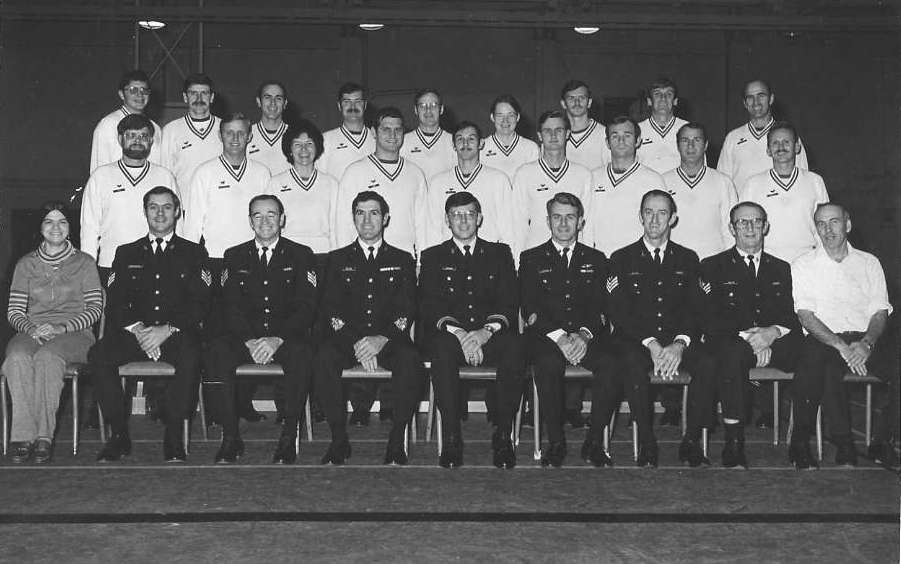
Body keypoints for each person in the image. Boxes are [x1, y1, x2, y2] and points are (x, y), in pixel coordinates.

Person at [90, 186, 210, 462]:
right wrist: (140, 331)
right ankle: (119, 435)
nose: (160, 213)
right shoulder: (126, 252)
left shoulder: (194, 253)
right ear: (145, 212)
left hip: (176, 333)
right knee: (99, 355)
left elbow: (200, 302)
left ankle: (174, 435)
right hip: (136, 333)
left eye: (166, 207)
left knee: (191, 355)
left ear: (177, 212)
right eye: (153, 207)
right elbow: (116, 302)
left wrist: (165, 330)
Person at [606, 190, 715, 467]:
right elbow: (619, 311)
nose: (654, 220)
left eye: (662, 213)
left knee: (708, 362)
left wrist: (679, 343)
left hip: (676, 342)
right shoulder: (621, 258)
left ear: (673, 218)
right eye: (649, 212)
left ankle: (691, 441)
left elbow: (697, 308)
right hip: (638, 341)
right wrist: (651, 343)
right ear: (640, 216)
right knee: (630, 362)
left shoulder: (688, 258)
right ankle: (646, 441)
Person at [206, 195, 318, 463]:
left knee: (302, 353)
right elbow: (230, 305)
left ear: (282, 219)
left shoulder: (301, 255)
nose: (265, 221)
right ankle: (230, 436)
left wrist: (277, 339)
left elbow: (306, 306)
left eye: (271, 215)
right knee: (218, 351)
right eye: (258, 215)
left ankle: (289, 436)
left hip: (285, 338)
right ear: (249, 221)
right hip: (247, 339)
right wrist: (249, 340)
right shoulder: (234, 256)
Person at [316, 191, 422, 465]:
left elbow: (407, 309)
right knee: (324, 357)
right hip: (348, 340)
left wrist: (381, 340)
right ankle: (338, 440)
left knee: (410, 360)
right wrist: (358, 343)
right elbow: (331, 310)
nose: (367, 220)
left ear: (385, 218)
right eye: (360, 213)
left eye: (374, 213)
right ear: (353, 219)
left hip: (390, 339)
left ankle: (396, 440)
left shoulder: (402, 259)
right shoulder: (336, 259)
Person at [419, 192, 524, 469]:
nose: (463, 220)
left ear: (479, 218)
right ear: (447, 220)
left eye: (469, 214)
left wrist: (484, 333)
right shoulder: (432, 256)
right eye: (456, 215)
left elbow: (509, 301)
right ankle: (452, 438)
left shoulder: (499, 254)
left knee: (515, 347)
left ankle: (503, 435)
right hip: (451, 337)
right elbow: (430, 305)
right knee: (440, 349)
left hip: (490, 335)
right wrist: (462, 335)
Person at [181, 112, 271, 421]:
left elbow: (267, 219)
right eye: (229, 133)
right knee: (218, 336)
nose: (235, 138)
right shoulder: (204, 172)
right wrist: (193, 266)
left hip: (252, 261)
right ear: (220, 136)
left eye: (240, 133)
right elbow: (192, 226)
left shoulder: (261, 172)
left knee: (250, 330)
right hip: (215, 262)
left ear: (250, 136)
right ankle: (217, 407)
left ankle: (243, 402)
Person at [789, 203, 893, 469]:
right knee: (818, 362)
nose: (828, 229)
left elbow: (880, 311)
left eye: (834, 222)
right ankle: (814, 442)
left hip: (864, 339)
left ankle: (883, 441)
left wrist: (867, 343)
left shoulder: (869, 262)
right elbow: (806, 317)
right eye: (821, 224)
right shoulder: (803, 264)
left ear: (847, 224)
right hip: (825, 338)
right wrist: (841, 347)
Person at [520, 193, 619, 467]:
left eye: (570, 217)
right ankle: (556, 442)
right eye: (557, 217)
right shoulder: (531, 258)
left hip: (586, 337)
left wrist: (584, 335)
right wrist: (561, 338)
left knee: (611, 364)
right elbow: (530, 308)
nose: (563, 224)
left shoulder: (597, 259)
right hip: (547, 338)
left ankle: (594, 442)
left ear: (580, 222)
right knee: (548, 364)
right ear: (548, 221)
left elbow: (601, 307)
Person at [699, 201, 802, 467]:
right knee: (731, 353)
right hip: (734, 342)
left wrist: (771, 333)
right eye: (742, 222)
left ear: (765, 227)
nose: (750, 227)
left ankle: (800, 439)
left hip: (773, 342)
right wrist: (751, 339)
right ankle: (734, 442)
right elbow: (710, 317)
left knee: (809, 353)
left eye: (756, 221)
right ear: (731, 228)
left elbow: (790, 315)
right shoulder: (712, 265)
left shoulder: (781, 268)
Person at [3, 203, 103, 463]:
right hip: (33, 330)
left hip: (76, 332)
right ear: (40, 227)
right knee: (16, 357)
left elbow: (95, 309)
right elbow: (14, 311)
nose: (55, 227)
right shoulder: (25, 264)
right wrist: (32, 328)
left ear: (70, 228)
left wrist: (62, 327)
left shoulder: (85, 263)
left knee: (47, 357)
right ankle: (22, 436)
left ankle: (43, 437)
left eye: (62, 221)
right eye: (49, 221)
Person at [81, 113, 178, 276]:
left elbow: (177, 225)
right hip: (111, 264)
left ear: (151, 141)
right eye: (131, 135)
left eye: (143, 136)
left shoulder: (164, 176)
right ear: (120, 139)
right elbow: (89, 228)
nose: (138, 140)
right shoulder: (101, 176)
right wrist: (88, 271)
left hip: (157, 264)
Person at [334, 107, 428, 256]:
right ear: (373, 132)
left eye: (398, 130)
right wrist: (347, 260)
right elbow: (343, 224)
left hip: (406, 256)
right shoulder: (355, 172)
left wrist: (421, 261)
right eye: (386, 129)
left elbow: (423, 225)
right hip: (365, 257)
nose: (393, 135)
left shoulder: (415, 173)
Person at [738, 121, 828, 263]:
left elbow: (825, 225)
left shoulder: (815, 181)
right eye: (775, 143)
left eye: (786, 142)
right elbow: (741, 228)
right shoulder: (753, 184)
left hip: (808, 260)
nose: (781, 147)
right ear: (768, 150)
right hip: (767, 262)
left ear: (797, 147)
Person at [512, 110, 593, 254]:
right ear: (539, 135)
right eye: (547, 131)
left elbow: (588, 224)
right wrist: (518, 261)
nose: (553, 135)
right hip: (535, 255)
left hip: (573, 256)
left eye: (559, 130)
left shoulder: (583, 175)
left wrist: (588, 258)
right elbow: (518, 225)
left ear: (567, 134)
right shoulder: (524, 174)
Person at [425, 121, 515, 249]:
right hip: (449, 255)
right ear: (453, 145)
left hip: (488, 254)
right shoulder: (438, 183)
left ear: (481, 143)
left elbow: (509, 229)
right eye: (460, 139)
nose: (465, 143)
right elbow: (432, 230)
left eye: (471, 139)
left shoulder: (498, 180)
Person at [587, 116, 666, 256]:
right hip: (599, 258)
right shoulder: (592, 177)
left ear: (638, 141)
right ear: (607, 142)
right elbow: (586, 224)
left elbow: (661, 226)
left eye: (627, 135)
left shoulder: (653, 180)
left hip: (637, 259)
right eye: (615, 136)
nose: (621, 141)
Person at [662, 122, 737, 259]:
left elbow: (731, 230)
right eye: (685, 140)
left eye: (697, 140)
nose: (690, 145)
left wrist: (727, 262)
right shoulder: (663, 182)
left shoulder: (723, 182)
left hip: (714, 261)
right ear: (677, 146)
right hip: (674, 261)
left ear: (706, 145)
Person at [717, 79, 809, 191]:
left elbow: (803, 179)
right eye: (750, 97)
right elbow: (722, 184)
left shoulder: (789, 136)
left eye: (761, 96)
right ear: (745, 103)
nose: (756, 102)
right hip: (743, 201)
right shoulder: (733, 138)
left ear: (771, 99)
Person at [268, 120, 339, 255]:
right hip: (288, 253)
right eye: (297, 144)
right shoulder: (275, 183)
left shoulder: (331, 183)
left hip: (323, 253)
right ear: (289, 149)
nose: (304, 149)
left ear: (317, 148)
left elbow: (336, 226)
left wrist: (335, 256)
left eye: (309, 144)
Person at [89, 69, 162, 173]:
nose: (140, 95)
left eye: (144, 90)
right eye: (133, 90)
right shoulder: (108, 124)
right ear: (122, 94)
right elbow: (98, 169)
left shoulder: (155, 128)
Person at [159, 73, 222, 191]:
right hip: (184, 200)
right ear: (185, 97)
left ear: (212, 97)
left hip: (218, 199)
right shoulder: (171, 130)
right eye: (193, 93)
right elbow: (165, 176)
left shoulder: (225, 128)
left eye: (204, 93)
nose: (199, 99)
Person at [316, 82, 375, 182]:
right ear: (339, 106)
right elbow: (320, 180)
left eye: (358, 101)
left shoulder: (377, 139)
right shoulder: (325, 140)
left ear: (365, 105)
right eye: (347, 102)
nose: (353, 106)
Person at [637, 77, 692, 175]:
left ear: (675, 101)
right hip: (646, 184)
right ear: (649, 101)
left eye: (669, 94)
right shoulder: (636, 130)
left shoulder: (689, 130)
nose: (663, 98)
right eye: (657, 94)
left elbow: (699, 165)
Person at [400, 88, 457, 181]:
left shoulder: (453, 141)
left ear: (441, 109)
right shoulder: (403, 141)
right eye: (422, 106)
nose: (428, 110)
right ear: (416, 110)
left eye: (434, 105)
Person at [480, 94, 540, 180]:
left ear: (518, 117)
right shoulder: (482, 148)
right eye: (500, 115)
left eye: (510, 115)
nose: (505, 120)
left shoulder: (531, 148)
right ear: (492, 117)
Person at [559, 79, 609, 170]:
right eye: (571, 98)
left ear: (589, 102)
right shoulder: (555, 135)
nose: (577, 102)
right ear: (563, 104)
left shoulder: (604, 134)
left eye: (582, 98)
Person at [247, 80, 291, 175]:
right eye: (267, 97)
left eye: (278, 98)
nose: (273, 103)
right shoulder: (246, 134)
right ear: (259, 101)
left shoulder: (295, 135)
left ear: (285, 103)